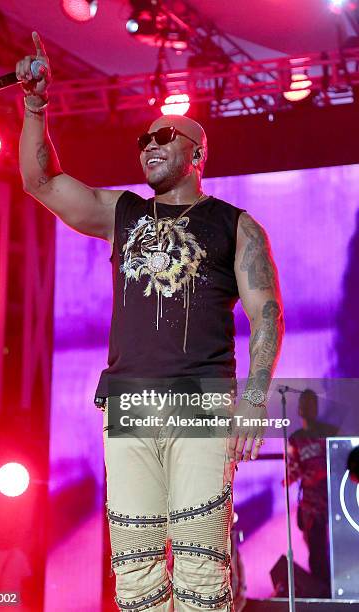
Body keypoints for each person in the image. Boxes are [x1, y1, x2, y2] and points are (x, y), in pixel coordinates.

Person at [18, 32, 284, 611]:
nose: (150, 145)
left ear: (198, 152)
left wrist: (255, 401)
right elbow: (41, 182)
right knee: (135, 576)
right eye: (144, 139)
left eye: (166, 135)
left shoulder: (235, 226)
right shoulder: (123, 213)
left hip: (201, 406)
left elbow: (267, 314)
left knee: (200, 567)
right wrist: (36, 107)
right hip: (131, 405)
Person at [287, 389, 338, 597]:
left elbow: (339, 460)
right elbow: (292, 469)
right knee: (316, 553)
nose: (309, 408)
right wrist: (291, 476)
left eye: (312, 404)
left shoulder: (329, 432)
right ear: (300, 408)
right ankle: (322, 595)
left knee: (335, 550)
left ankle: (337, 592)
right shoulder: (295, 439)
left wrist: (321, 472)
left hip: (334, 501)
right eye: (305, 404)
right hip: (311, 506)